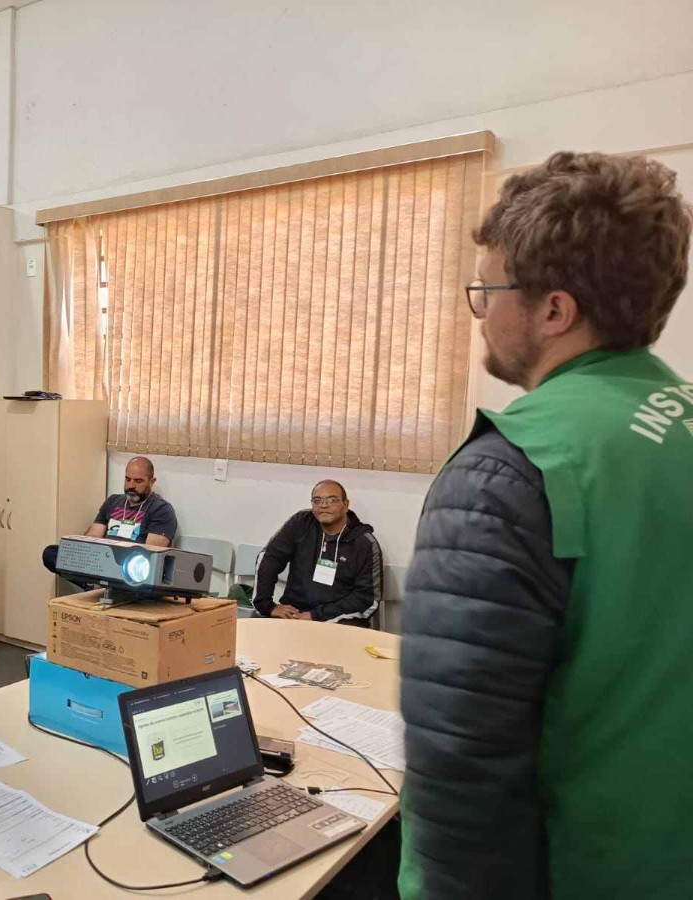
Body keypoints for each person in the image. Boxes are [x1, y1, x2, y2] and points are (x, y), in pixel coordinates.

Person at [398, 152, 693, 899]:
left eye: (488, 290)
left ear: (555, 311)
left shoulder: (509, 473)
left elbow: (461, 775)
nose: (481, 314)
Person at [250, 480, 383, 626]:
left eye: (332, 500)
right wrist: (267, 605)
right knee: (253, 631)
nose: (323, 505)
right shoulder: (300, 523)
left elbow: (365, 598)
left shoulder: (364, 543)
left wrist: (316, 615)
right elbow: (269, 558)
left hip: (339, 618)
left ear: (345, 505)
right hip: (295, 612)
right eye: (317, 500)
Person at [41, 456, 179, 579]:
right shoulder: (113, 501)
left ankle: (98, 582)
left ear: (152, 481)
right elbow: (92, 537)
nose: (131, 485)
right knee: (52, 552)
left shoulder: (161, 509)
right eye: (127, 479)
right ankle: (95, 582)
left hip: (129, 566)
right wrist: (82, 552)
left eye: (138, 481)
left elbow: (150, 554)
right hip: (101, 559)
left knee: (137, 567)